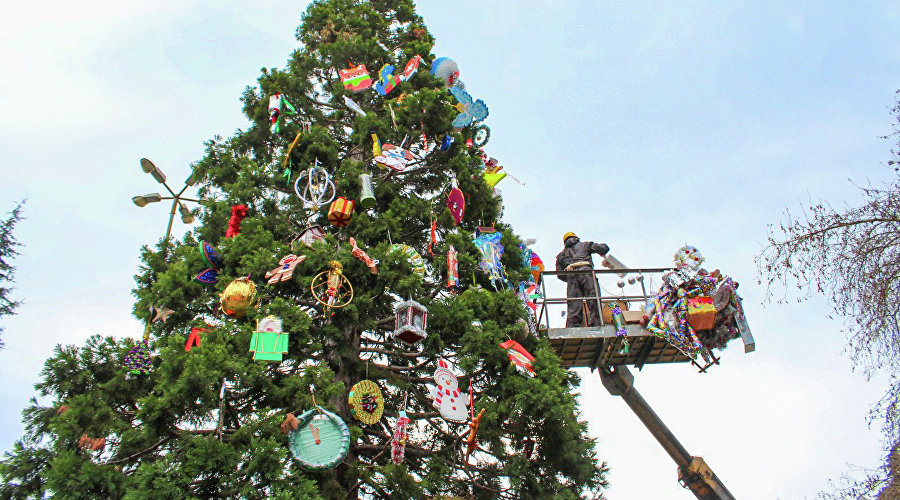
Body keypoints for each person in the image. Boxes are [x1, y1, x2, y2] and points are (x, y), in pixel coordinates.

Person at [555, 232, 610, 327]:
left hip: (572, 278)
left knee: (574, 307)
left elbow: (560, 275)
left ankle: (573, 329)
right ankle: (596, 326)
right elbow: (604, 248)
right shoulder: (585, 245)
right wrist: (602, 252)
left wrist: (569, 277)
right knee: (594, 302)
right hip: (587, 274)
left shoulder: (561, 255)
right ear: (576, 238)